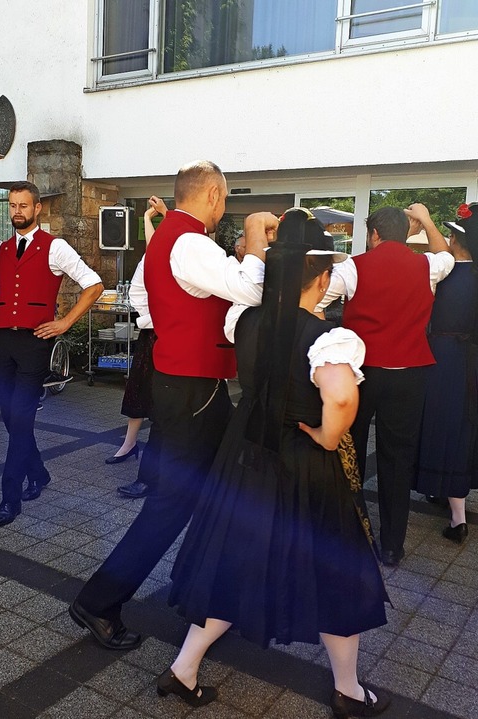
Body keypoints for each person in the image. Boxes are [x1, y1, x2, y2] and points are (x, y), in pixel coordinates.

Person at [161, 208, 390, 718]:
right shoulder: (328, 337)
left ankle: (184, 669)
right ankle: (348, 690)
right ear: (324, 276)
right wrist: (329, 439)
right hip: (303, 463)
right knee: (335, 573)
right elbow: (342, 399)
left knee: (236, 559)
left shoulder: (244, 318)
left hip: (247, 455)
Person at [70, 160, 277, 649]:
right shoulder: (190, 241)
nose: (224, 209)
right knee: (175, 505)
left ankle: (210, 599)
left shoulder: (167, 240)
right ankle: (99, 600)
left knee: (221, 488)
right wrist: (252, 233)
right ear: (211, 196)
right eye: (225, 200)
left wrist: (176, 332)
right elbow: (250, 288)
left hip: (183, 385)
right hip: (193, 391)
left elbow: (146, 302)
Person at [0, 181, 103, 527]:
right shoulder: (0, 248)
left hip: (34, 344)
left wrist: (64, 323)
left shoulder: (54, 247)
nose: (17, 211)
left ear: (37, 208)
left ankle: (9, 499)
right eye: (12, 205)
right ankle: (40, 473)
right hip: (5, 342)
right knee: (10, 418)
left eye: (23, 206)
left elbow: (95, 285)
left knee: (22, 419)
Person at [318, 205, 454, 567]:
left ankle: (347, 534)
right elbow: (446, 255)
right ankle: (392, 544)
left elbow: (318, 298)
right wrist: (426, 218)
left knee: (351, 450)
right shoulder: (426, 265)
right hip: (411, 371)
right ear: (405, 234)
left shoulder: (353, 267)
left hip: (364, 372)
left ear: (374, 234)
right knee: (398, 457)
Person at [415, 202, 478, 544]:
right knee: (462, 429)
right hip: (470, 360)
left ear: (459, 240)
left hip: (446, 359)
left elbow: (439, 257)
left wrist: (424, 220)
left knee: (446, 428)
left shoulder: (451, 271)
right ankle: (446, 494)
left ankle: (458, 518)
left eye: (453, 233)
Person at [106, 197, 167, 502]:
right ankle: (130, 445)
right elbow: (151, 258)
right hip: (152, 334)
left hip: (169, 335)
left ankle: (151, 467)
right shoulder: (155, 258)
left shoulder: (183, 253)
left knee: (161, 403)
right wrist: (148, 217)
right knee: (139, 392)